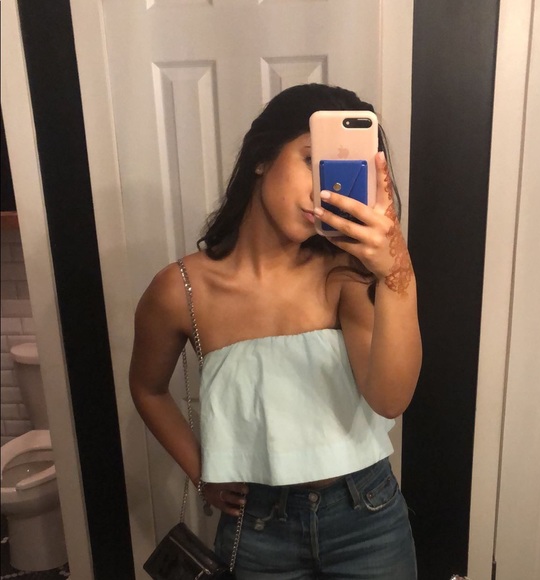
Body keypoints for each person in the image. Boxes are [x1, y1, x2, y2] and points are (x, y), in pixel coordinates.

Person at [130, 83, 421, 579]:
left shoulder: (342, 276)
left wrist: (398, 273)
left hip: (366, 517)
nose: (323, 190)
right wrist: (201, 475)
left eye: (338, 171)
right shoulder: (181, 291)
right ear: (262, 156)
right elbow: (147, 388)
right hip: (258, 529)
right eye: (311, 160)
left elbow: (390, 399)